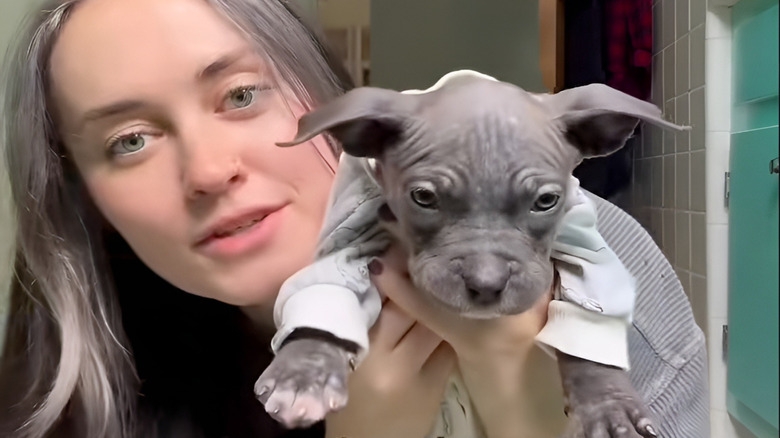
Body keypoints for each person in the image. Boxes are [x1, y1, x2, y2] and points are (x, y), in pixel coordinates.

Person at [0, 1, 709, 437]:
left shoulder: (603, 265)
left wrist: (523, 412)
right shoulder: (78, 388)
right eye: (129, 140)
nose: (210, 170)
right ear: (84, 195)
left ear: (327, 100)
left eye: (241, 94)